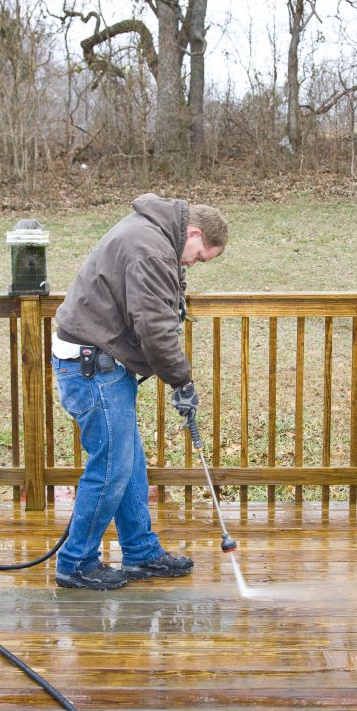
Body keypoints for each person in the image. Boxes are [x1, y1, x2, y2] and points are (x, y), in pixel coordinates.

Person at [52, 192, 228, 590]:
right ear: (194, 232)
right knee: (112, 467)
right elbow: (155, 328)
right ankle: (76, 562)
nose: (193, 263)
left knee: (128, 463)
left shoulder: (153, 236)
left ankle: (140, 552)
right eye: (199, 256)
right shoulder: (150, 248)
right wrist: (182, 383)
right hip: (91, 365)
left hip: (100, 359)